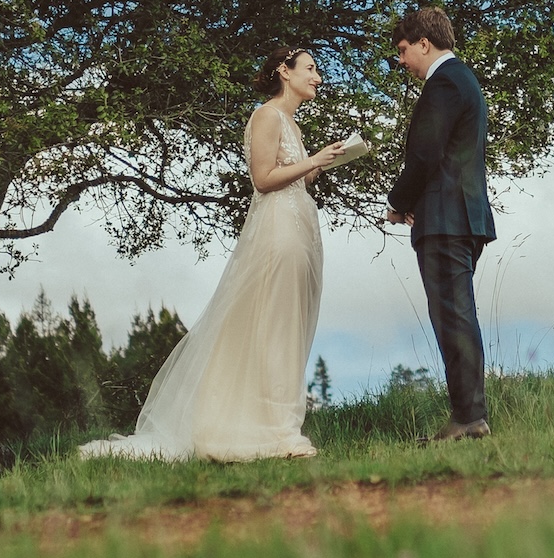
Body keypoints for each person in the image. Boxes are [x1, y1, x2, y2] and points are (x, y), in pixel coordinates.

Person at [80, 45, 355, 461]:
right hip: (277, 229)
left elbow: (293, 177)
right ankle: (277, 432)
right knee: (273, 327)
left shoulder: (293, 126)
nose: (318, 77)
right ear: (284, 70)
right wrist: (310, 161)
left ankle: (277, 425)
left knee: (291, 326)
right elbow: (263, 179)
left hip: (301, 228)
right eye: (311, 69)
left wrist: (322, 162)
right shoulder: (265, 115)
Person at [382, 6, 496, 442]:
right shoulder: (462, 80)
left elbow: (426, 154)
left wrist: (399, 202)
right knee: (456, 314)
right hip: (459, 216)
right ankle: (469, 415)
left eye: (404, 50)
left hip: (447, 219)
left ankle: (469, 418)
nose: (402, 61)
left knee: (453, 317)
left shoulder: (444, 82)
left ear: (424, 44)